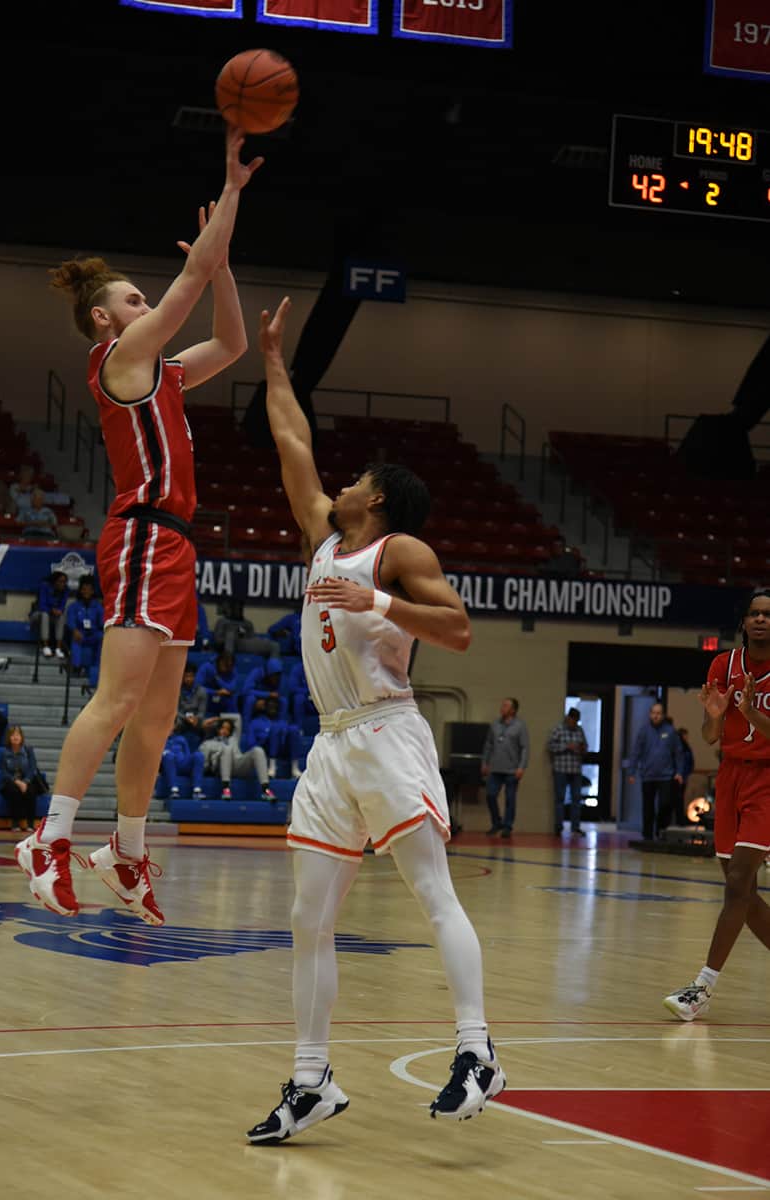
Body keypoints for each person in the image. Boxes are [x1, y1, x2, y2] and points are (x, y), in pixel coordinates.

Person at [247, 297, 505, 1145]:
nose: (343, 482)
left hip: (389, 729)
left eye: (360, 479)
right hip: (332, 743)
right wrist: (276, 361)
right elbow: (292, 441)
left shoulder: (397, 553)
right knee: (306, 918)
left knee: (432, 894)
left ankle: (478, 1050)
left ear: (382, 498)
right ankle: (312, 1078)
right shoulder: (325, 535)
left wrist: (379, 599)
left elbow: (461, 631)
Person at [14, 126, 261, 925]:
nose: (146, 304)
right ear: (101, 319)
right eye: (132, 299)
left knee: (155, 721)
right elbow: (187, 283)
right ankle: (47, 840)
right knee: (118, 701)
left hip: (179, 547)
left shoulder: (165, 371)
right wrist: (229, 193)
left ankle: (123, 850)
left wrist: (221, 268)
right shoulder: (117, 362)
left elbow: (232, 338)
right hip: (144, 533)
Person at [664, 588, 770, 1021]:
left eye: (768, 614)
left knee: (739, 880)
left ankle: (702, 986)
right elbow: (710, 737)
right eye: (755, 613)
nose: (761, 619)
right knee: (742, 893)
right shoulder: (722, 665)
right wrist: (714, 714)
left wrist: (752, 713)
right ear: (744, 622)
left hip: (767, 779)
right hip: (730, 779)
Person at [628, 701, 685, 841]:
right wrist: (631, 771)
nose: (656, 716)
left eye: (658, 713)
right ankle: (647, 835)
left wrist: (679, 772)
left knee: (665, 804)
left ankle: (661, 830)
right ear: (650, 714)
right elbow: (636, 752)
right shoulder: (643, 731)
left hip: (666, 776)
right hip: (648, 775)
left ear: (663, 715)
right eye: (653, 713)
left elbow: (678, 753)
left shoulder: (670, 731)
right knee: (647, 806)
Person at [480, 697, 530, 838]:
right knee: (490, 795)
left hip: (512, 769)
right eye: (502, 705)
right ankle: (496, 822)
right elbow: (488, 745)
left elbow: (525, 748)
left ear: (513, 710)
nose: (502, 707)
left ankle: (507, 826)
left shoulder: (520, 726)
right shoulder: (495, 725)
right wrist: (485, 763)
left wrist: (522, 767)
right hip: (495, 768)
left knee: (510, 799)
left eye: (506, 706)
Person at [196, 715, 275, 801]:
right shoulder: (208, 743)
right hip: (220, 769)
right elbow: (204, 763)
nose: (225, 731)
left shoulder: (233, 739)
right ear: (217, 729)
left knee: (257, 750)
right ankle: (226, 789)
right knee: (227, 749)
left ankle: (266, 790)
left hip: (237, 765)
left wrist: (219, 717)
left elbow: (237, 718)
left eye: (227, 729)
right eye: (222, 728)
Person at [547, 706, 589, 835]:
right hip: (561, 769)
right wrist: (566, 746)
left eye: (576, 721)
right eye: (573, 720)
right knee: (560, 798)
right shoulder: (558, 729)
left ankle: (575, 827)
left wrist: (582, 749)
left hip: (575, 769)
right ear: (568, 718)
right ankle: (558, 827)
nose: (574, 723)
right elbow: (550, 746)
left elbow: (585, 747)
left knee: (576, 799)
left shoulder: (579, 730)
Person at [247, 695, 303, 779]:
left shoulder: (283, 722)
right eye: (270, 706)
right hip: (265, 749)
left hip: (282, 748)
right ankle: (272, 767)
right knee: (275, 729)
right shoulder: (255, 722)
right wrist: (265, 738)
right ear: (264, 707)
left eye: (275, 706)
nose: (272, 708)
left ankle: (295, 768)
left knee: (294, 729)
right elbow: (251, 743)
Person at [0, 726, 45, 833]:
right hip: (11, 781)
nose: (15, 737)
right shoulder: (4, 753)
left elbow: (33, 768)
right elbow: (4, 772)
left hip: (26, 779)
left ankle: (30, 823)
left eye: (18, 735)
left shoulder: (28, 750)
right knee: (13, 791)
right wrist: (17, 782)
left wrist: (25, 781)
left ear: (21, 737)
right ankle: (15, 823)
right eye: (13, 735)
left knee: (31, 791)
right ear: (9, 738)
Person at [65, 575, 104, 676]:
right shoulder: (74, 606)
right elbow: (70, 621)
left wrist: (101, 632)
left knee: (101, 638)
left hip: (93, 634)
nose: (86, 592)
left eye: (89, 590)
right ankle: (76, 667)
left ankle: (96, 668)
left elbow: (102, 623)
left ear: (92, 592)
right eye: (84, 589)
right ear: (81, 591)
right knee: (75, 639)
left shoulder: (98, 606)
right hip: (80, 633)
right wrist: (74, 630)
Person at [33, 570, 70, 658]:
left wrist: (59, 611)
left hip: (53, 616)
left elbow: (62, 605)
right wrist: (51, 610)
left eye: (64, 582)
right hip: (38, 615)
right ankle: (45, 646)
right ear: (54, 582)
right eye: (60, 581)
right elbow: (42, 605)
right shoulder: (44, 586)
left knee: (61, 616)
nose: (63, 584)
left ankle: (58, 648)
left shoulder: (66, 590)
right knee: (45, 614)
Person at [174, 664, 211, 743]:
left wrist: (196, 718)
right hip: (181, 718)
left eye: (191, 676)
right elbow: (175, 711)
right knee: (176, 723)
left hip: (196, 719)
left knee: (208, 726)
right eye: (186, 676)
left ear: (195, 676)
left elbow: (202, 711)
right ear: (182, 677)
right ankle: (174, 747)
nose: (189, 679)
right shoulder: (177, 690)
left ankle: (203, 748)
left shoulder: (202, 691)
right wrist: (186, 718)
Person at [198, 650, 239, 719]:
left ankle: (230, 722)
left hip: (224, 696)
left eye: (230, 666)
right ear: (219, 661)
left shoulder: (232, 670)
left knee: (233, 697)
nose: (228, 668)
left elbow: (231, 688)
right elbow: (197, 687)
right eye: (225, 665)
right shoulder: (206, 667)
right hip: (207, 696)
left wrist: (218, 679)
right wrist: (216, 692)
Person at [672, 726, 695, 826]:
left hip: (684, 776)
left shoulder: (687, 747)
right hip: (677, 776)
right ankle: (677, 821)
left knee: (680, 799)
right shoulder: (678, 747)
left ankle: (680, 820)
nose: (686, 737)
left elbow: (690, 762)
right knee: (677, 800)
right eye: (685, 735)